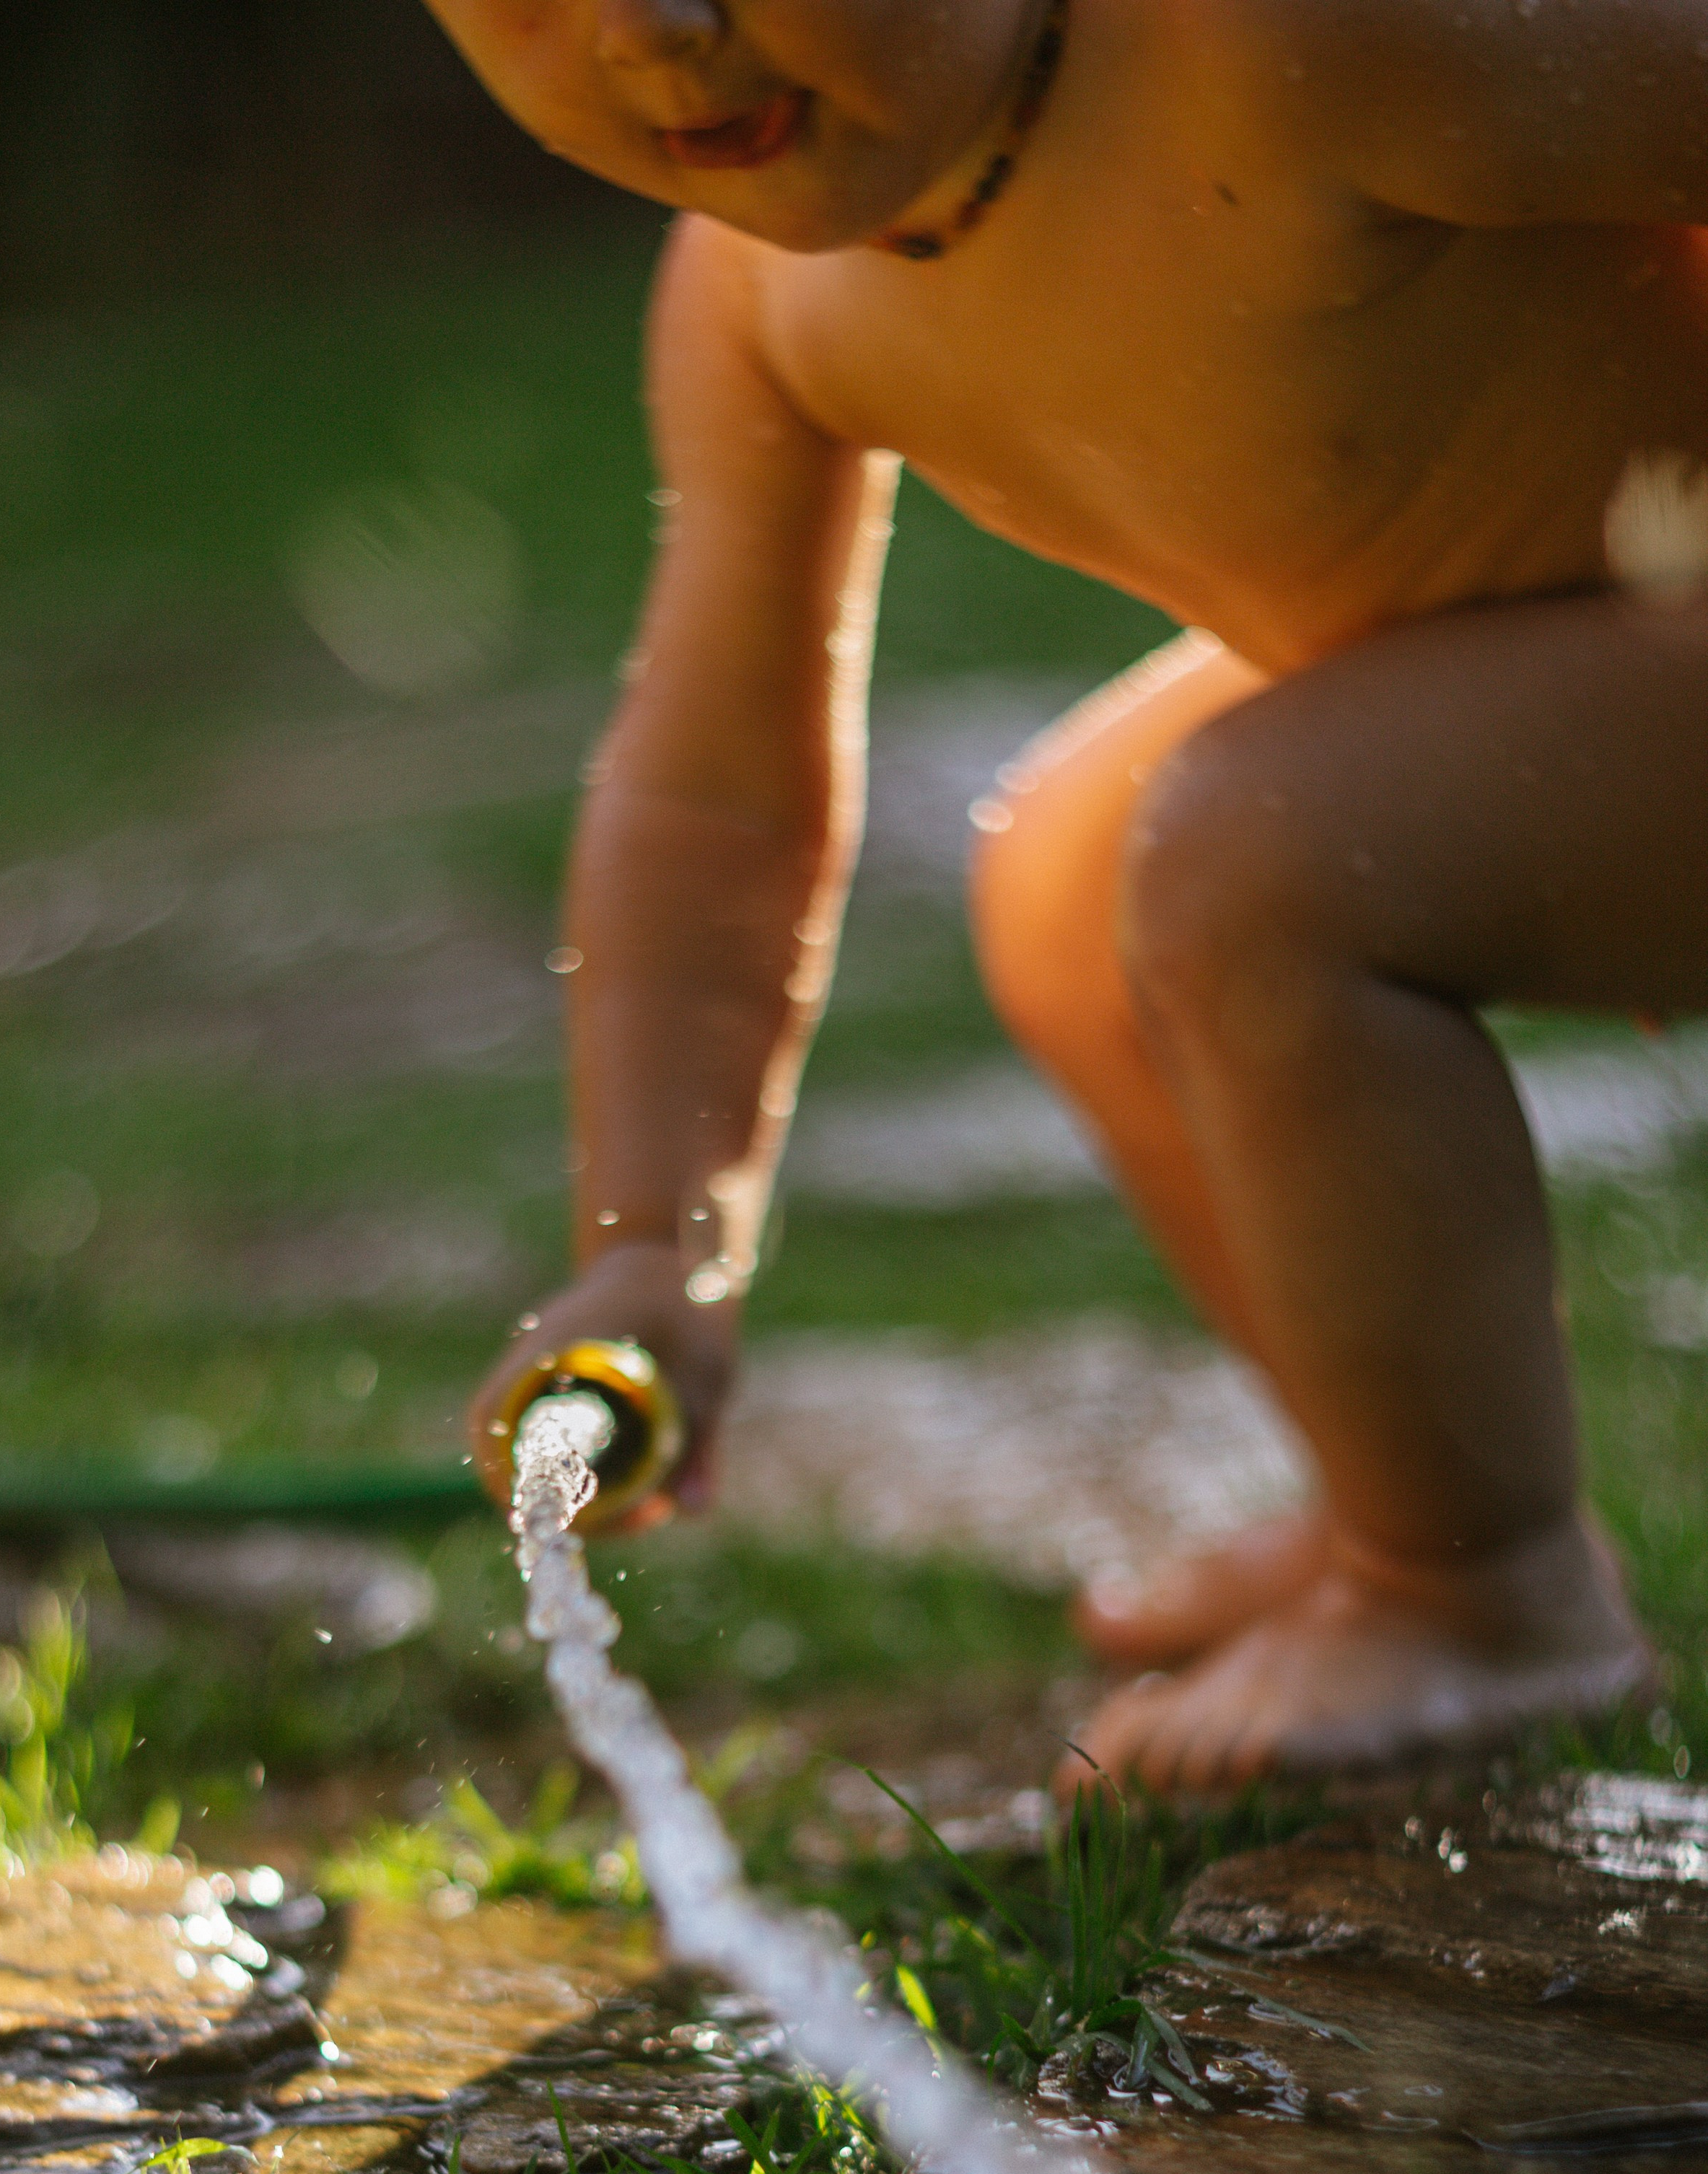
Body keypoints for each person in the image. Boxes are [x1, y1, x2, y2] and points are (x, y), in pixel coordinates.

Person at [444, 0, 1708, 1794]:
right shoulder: (760, 299)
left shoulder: (1297, 50)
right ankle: (1409, 1497)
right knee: (1074, 878)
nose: (658, 33)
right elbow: (719, 793)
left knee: (1251, 856)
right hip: (1582, 666)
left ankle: (1481, 1589)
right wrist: (657, 1236)